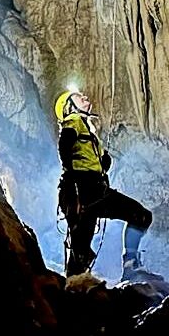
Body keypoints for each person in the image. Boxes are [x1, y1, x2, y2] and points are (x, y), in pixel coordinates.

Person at [54, 89, 152, 279]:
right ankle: (128, 264)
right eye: (77, 97)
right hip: (81, 190)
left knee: (80, 247)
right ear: (69, 107)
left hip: (95, 190)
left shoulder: (88, 131)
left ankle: (74, 285)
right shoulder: (73, 121)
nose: (84, 97)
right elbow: (65, 145)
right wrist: (73, 177)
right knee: (139, 216)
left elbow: (100, 161)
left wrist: (103, 161)